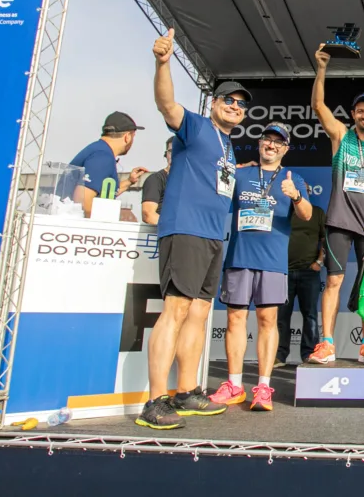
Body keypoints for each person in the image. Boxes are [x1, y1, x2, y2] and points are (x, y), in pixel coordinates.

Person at [138, 28, 249, 430]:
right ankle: (154, 401)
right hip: (184, 229)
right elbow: (167, 104)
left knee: (200, 313)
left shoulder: (229, 146)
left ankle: (186, 391)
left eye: (241, 104)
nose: (236, 107)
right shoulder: (196, 127)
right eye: (230, 100)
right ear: (215, 103)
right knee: (176, 310)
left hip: (213, 236)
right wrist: (163, 62)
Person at [208, 122, 312, 412]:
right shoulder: (240, 174)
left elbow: (306, 215)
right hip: (239, 258)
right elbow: (215, 199)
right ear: (260, 143)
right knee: (235, 321)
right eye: (267, 139)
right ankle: (234, 384)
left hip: (272, 261)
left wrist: (296, 195)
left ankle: (264, 387)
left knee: (268, 321)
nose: (271, 145)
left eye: (278, 142)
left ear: (285, 149)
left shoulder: (293, 179)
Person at [308, 44, 364, 365]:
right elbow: (318, 105)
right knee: (333, 280)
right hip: (339, 223)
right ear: (353, 115)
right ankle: (327, 343)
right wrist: (321, 68)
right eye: (359, 110)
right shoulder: (341, 137)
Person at [275, 182, 327, 366]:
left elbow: (325, 241)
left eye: (305, 189)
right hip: (284, 272)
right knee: (281, 316)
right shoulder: (282, 212)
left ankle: (309, 354)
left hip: (309, 273)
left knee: (310, 315)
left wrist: (319, 262)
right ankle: (279, 356)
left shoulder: (317, 212)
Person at [68, 112, 148, 218]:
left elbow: (104, 193)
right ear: (127, 137)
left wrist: (129, 181)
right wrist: (104, 227)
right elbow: (82, 201)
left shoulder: (98, 150)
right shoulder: (103, 156)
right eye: (133, 136)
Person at [141, 137, 175, 225]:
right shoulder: (156, 179)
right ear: (166, 154)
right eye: (171, 151)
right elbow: (148, 215)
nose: (175, 154)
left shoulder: (195, 182)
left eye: (179, 150)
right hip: (165, 235)